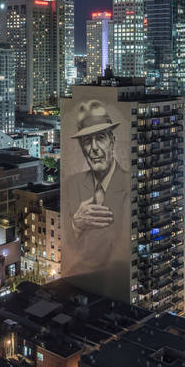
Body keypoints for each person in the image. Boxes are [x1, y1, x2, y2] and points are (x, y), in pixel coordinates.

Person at [62, 99, 128, 281]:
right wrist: (75, 226)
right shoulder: (71, 184)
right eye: (86, 141)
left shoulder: (130, 184)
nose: (94, 149)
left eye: (100, 138)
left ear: (112, 141)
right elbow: (67, 244)